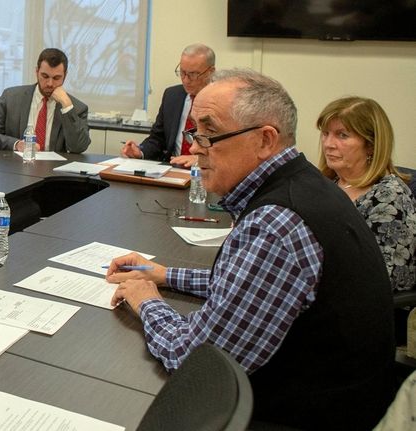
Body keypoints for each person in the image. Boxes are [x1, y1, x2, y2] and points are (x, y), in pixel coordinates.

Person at [107, 69, 395, 429]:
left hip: (299, 416)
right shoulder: (304, 184)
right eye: (195, 131)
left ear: (265, 140)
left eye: (209, 133)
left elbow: (193, 359)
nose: (195, 146)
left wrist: (146, 298)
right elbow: (250, 288)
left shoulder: (277, 224)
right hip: (346, 400)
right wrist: (165, 275)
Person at [317, 96, 416, 292]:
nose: (328, 143)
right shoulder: (322, 185)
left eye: (342, 135)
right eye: (325, 133)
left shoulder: (389, 196)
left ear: (371, 144)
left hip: (363, 307)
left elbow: (388, 275)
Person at [121, 44, 215, 168]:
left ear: (210, 72)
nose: (186, 80)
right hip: (172, 168)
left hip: (207, 172)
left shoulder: (222, 101)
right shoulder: (172, 96)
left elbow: (229, 148)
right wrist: (140, 152)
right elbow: (157, 139)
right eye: (182, 72)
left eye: (193, 74)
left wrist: (200, 159)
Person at [0, 48, 90, 153]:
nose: (50, 83)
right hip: (16, 167)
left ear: (65, 76)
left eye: (56, 78)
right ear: (37, 72)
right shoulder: (10, 97)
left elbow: (79, 147)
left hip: (53, 169)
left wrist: (67, 106)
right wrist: (17, 145)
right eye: (45, 76)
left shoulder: (76, 108)